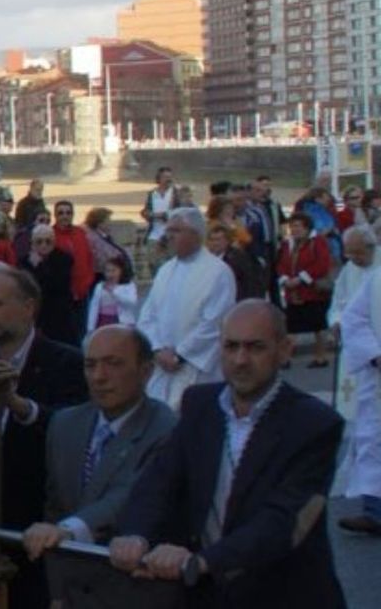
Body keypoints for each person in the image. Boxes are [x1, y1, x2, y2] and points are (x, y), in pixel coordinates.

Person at [110, 301, 346, 609]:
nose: (240, 359)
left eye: (255, 347)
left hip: (284, 594)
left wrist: (203, 561)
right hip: (207, 593)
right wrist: (136, 534)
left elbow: (283, 521)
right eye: (231, 346)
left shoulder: (315, 424)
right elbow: (160, 480)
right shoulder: (199, 404)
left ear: (285, 349)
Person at [0, 267, 88, 609]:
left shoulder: (67, 362)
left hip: (37, 526)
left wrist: (20, 406)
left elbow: (74, 430)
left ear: (28, 307)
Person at [23, 327, 177, 557]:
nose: (99, 376)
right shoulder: (65, 424)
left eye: (113, 363)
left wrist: (68, 530)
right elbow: (54, 506)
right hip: (67, 579)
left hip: (128, 579)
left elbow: (128, 495)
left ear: (146, 371)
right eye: (90, 365)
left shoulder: (165, 427)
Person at [136, 208, 235, 408]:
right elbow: (147, 316)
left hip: (197, 367)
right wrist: (156, 349)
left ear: (196, 234)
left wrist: (180, 354)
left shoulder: (218, 272)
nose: (168, 235)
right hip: (162, 365)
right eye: (168, 230)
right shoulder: (166, 270)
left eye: (176, 230)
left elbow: (214, 323)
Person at [337, 225, 381, 535]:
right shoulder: (376, 280)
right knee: (373, 442)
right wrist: (375, 354)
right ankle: (375, 511)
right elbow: (353, 317)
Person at [276, 212, 334, 367]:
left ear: (307, 228)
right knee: (291, 327)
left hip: (313, 292)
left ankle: (320, 357)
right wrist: (285, 279)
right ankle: (285, 358)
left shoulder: (318, 242)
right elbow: (281, 264)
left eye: (297, 226)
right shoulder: (287, 244)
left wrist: (301, 279)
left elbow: (322, 264)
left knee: (318, 327)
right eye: (292, 226)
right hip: (293, 293)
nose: (294, 230)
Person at [20, 224, 79, 345]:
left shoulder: (64, 259)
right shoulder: (24, 261)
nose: (44, 245)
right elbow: (26, 287)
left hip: (58, 316)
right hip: (35, 315)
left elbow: (56, 285)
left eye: (48, 241)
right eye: (39, 241)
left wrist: (39, 266)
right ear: (32, 243)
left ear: (54, 241)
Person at [51, 200, 95, 302]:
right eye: (60, 213)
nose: (65, 216)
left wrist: (88, 281)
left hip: (83, 291)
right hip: (60, 293)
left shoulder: (80, 233)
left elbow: (89, 258)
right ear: (55, 215)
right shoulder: (50, 235)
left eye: (68, 213)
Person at [204, 222, 260, 301]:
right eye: (212, 240)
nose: (215, 243)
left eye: (218, 240)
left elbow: (248, 285)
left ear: (227, 241)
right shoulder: (204, 259)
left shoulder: (237, 260)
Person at [86, 256, 139, 332]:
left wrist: (114, 293)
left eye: (113, 271)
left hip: (122, 321)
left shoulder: (128, 285)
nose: (110, 274)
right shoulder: (100, 286)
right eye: (108, 271)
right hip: (103, 321)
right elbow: (94, 306)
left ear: (121, 271)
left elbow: (132, 302)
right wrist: (90, 327)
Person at [83, 207, 130, 285]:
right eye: (108, 220)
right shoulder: (93, 238)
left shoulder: (103, 235)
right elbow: (100, 258)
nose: (110, 222)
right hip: (103, 275)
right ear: (100, 223)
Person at [139, 166, 176, 262]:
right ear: (159, 179)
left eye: (169, 177)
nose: (168, 179)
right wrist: (146, 214)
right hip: (155, 235)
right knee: (154, 264)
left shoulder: (175, 193)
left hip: (171, 236)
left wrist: (163, 215)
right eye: (165, 177)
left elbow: (180, 211)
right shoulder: (152, 193)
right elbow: (146, 210)